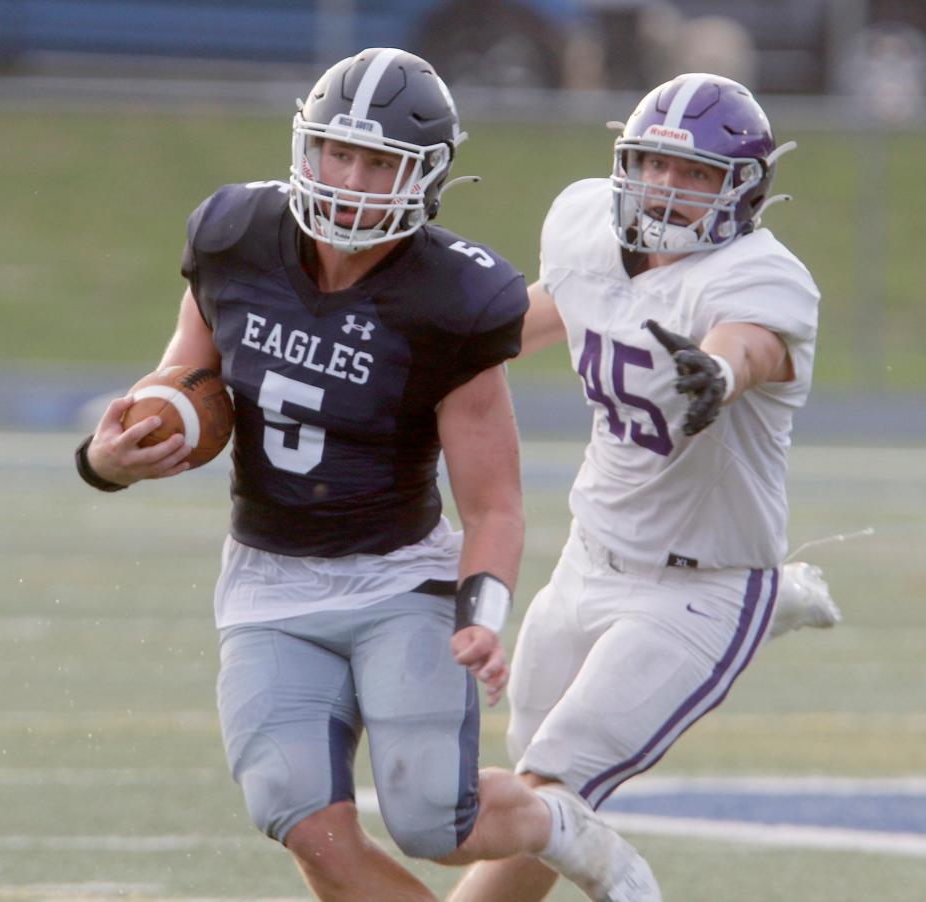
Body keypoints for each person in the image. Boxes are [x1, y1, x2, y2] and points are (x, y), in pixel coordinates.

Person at [74, 48, 661, 902]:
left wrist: (481, 611)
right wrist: (105, 460)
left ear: (424, 177)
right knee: (302, 819)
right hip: (269, 581)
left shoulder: (453, 297)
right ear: (303, 148)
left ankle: (558, 826)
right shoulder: (236, 236)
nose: (350, 178)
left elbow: (494, 504)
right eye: (336, 152)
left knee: (434, 823)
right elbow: (181, 384)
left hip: (399, 580)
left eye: (379, 161)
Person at [448, 72, 839, 902]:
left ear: (744, 192)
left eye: (696, 173)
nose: (666, 187)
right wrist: (431, 354)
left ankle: (628, 881)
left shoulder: (758, 276)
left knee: (541, 794)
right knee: (541, 788)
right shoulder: (588, 225)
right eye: (654, 164)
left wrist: (718, 373)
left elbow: (753, 345)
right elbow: (555, 308)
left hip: (700, 588)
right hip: (588, 561)